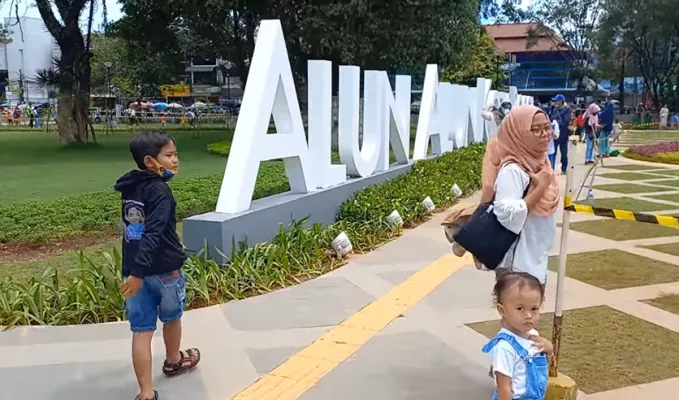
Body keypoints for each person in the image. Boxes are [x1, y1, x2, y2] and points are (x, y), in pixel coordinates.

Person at [114, 132, 200, 400]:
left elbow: (134, 230)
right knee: (172, 317)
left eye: (175, 154)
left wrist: (133, 271)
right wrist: (140, 273)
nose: (176, 160)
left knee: (141, 331)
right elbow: (153, 233)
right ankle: (174, 360)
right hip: (163, 270)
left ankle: (146, 393)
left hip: (133, 270)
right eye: (170, 155)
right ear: (151, 161)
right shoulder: (160, 191)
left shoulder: (130, 187)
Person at [480, 105, 560, 284]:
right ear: (518, 133)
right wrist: (539, 188)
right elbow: (505, 213)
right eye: (535, 129)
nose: (545, 134)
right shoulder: (514, 170)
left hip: (536, 256)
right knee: (518, 310)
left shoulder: (541, 164)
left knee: (530, 310)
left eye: (546, 127)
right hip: (517, 264)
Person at [482, 271, 553, 400]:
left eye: (534, 309)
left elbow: (547, 354)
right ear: (502, 310)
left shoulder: (533, 334)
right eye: (520, 308)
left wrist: (548, 347)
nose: (528, 315)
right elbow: (503, 387)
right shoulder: (504, 347)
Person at [548, 94, 572, 174]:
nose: (555, 102)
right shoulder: (554, 109)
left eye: (556, 100)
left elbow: (565, 121)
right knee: (552, 153)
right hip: (554, 135)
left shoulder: (567, 110)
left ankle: (564, 168)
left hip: (563, 134)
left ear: (561, 101)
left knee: (564, 153)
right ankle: (551, 169)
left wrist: (556, 122)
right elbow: (550, 118)